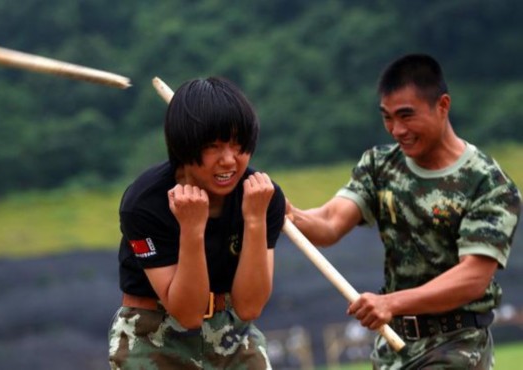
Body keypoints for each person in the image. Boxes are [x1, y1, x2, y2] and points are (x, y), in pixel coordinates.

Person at [287, 54, 521, 369]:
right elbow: (329, 222)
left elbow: (473, 277)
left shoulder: (488, 184)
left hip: (457, 347)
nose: (397, 130)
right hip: (393, 345)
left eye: (406, 115)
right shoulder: (380, 166)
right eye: (387, 117)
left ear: (443, 105)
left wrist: (390, 303)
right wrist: (286, 212)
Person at [108, 76, 285, 369]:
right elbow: (187, 313)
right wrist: (191, 228)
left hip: (233, 333)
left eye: (238, 145)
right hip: (153, 334)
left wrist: (254, 220)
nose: (229, 160)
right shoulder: (145, 203)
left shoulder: (262, 197)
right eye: (214, 147)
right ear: (184, 147)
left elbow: (250, 307)